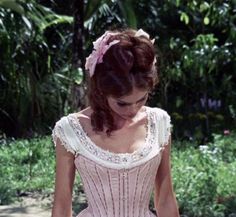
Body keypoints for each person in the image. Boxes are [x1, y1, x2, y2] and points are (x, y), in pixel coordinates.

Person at [51, 28, 180, 217]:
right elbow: (62, 207)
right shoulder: (70, 130)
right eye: (122, 103)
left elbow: (165, 198)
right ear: (102, 91)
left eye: (141, 99)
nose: (133, 110)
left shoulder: (159, 122)